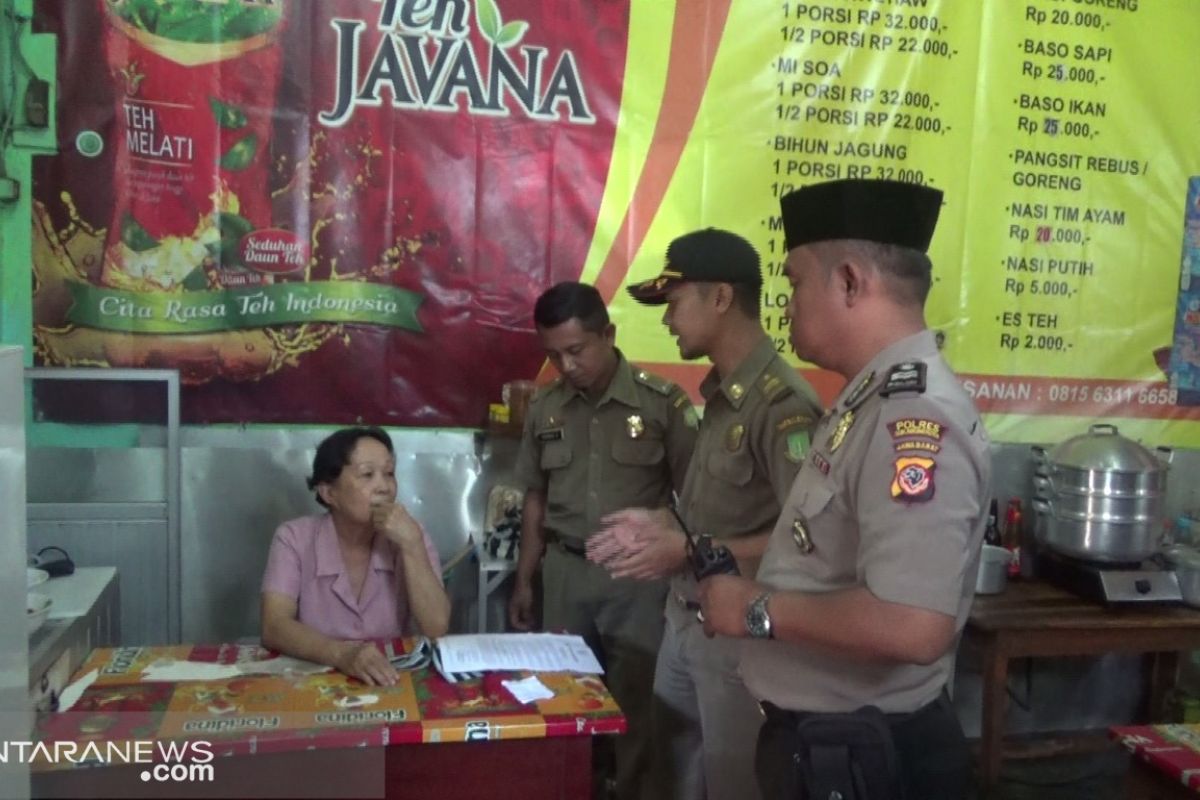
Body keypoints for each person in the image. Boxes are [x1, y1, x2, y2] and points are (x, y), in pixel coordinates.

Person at [697, 179, 991, 799]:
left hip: (865, 757)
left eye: (796, 281)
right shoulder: (866, 400)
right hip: (830, 745)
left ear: (851, 282)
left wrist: (755, 610)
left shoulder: (914, 418)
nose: (787, 302)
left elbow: (911, 624)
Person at [600, 228, 821, 800]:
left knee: (732, 783)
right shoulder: (722, 394)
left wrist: (692, 549)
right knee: (672, 776)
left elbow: (809, 537)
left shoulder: (783, 406)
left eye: (674, 304)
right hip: (685, 617)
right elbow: (715, 515)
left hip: (738, 638)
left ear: (721, 298)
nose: (668, 320)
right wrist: (666, 529)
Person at [508, 281, 698, 800]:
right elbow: (535, 500)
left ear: (608, 334)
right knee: (564, 704)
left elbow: (698, 502)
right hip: (566, 575)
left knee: (638, 708)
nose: (566, 366)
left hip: (638, 582)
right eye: (553, 355)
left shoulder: (662, 405)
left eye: (576, 351)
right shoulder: (546, 409)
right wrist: (526, 579)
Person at [261, 427, 451, 686]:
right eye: (367, 475)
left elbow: (436, 628)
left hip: (390, 677)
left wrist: (412, 545)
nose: (384, 487)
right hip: (314, 677)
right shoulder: (293, 538)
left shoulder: (410, 535)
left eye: (389, 473)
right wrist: (342, 654)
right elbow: (274, 625)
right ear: (329, 493)